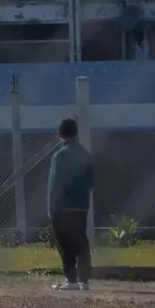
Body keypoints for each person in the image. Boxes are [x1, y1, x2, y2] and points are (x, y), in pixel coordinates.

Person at [48, 117, 95, 291]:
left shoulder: (59, 156)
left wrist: (51, 208)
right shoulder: (85, 154)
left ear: (60, 134)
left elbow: (55, 185)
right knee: (81, 241)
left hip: (62, 207)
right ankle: (85, 280)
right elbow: (91, 181)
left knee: (64, 243)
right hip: (81, 206)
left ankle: (71, 279)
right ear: (76, 133)